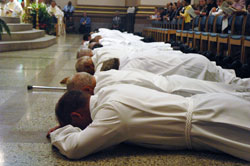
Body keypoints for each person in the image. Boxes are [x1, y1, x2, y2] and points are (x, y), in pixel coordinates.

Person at [48, 84, 250, 161]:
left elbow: (75, 148)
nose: (85, 130)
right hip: (209, 107)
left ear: (77, 117)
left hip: (212, 123)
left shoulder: (112, 113)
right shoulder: (110, 91)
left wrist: (60, 132)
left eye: (78, 126)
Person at [75, 46, 250, 87]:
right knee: (232, 80)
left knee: (235, 85)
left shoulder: (129, 71)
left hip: (195, 69)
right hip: (193, 62)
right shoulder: (127, 59)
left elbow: (101, 78)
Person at [63, 70, 250, 98]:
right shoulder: (104, 74)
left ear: (88, 89)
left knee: (229, 93)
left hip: (175, 90)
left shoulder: (104, 88)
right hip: (172, 82)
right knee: (226, 89)